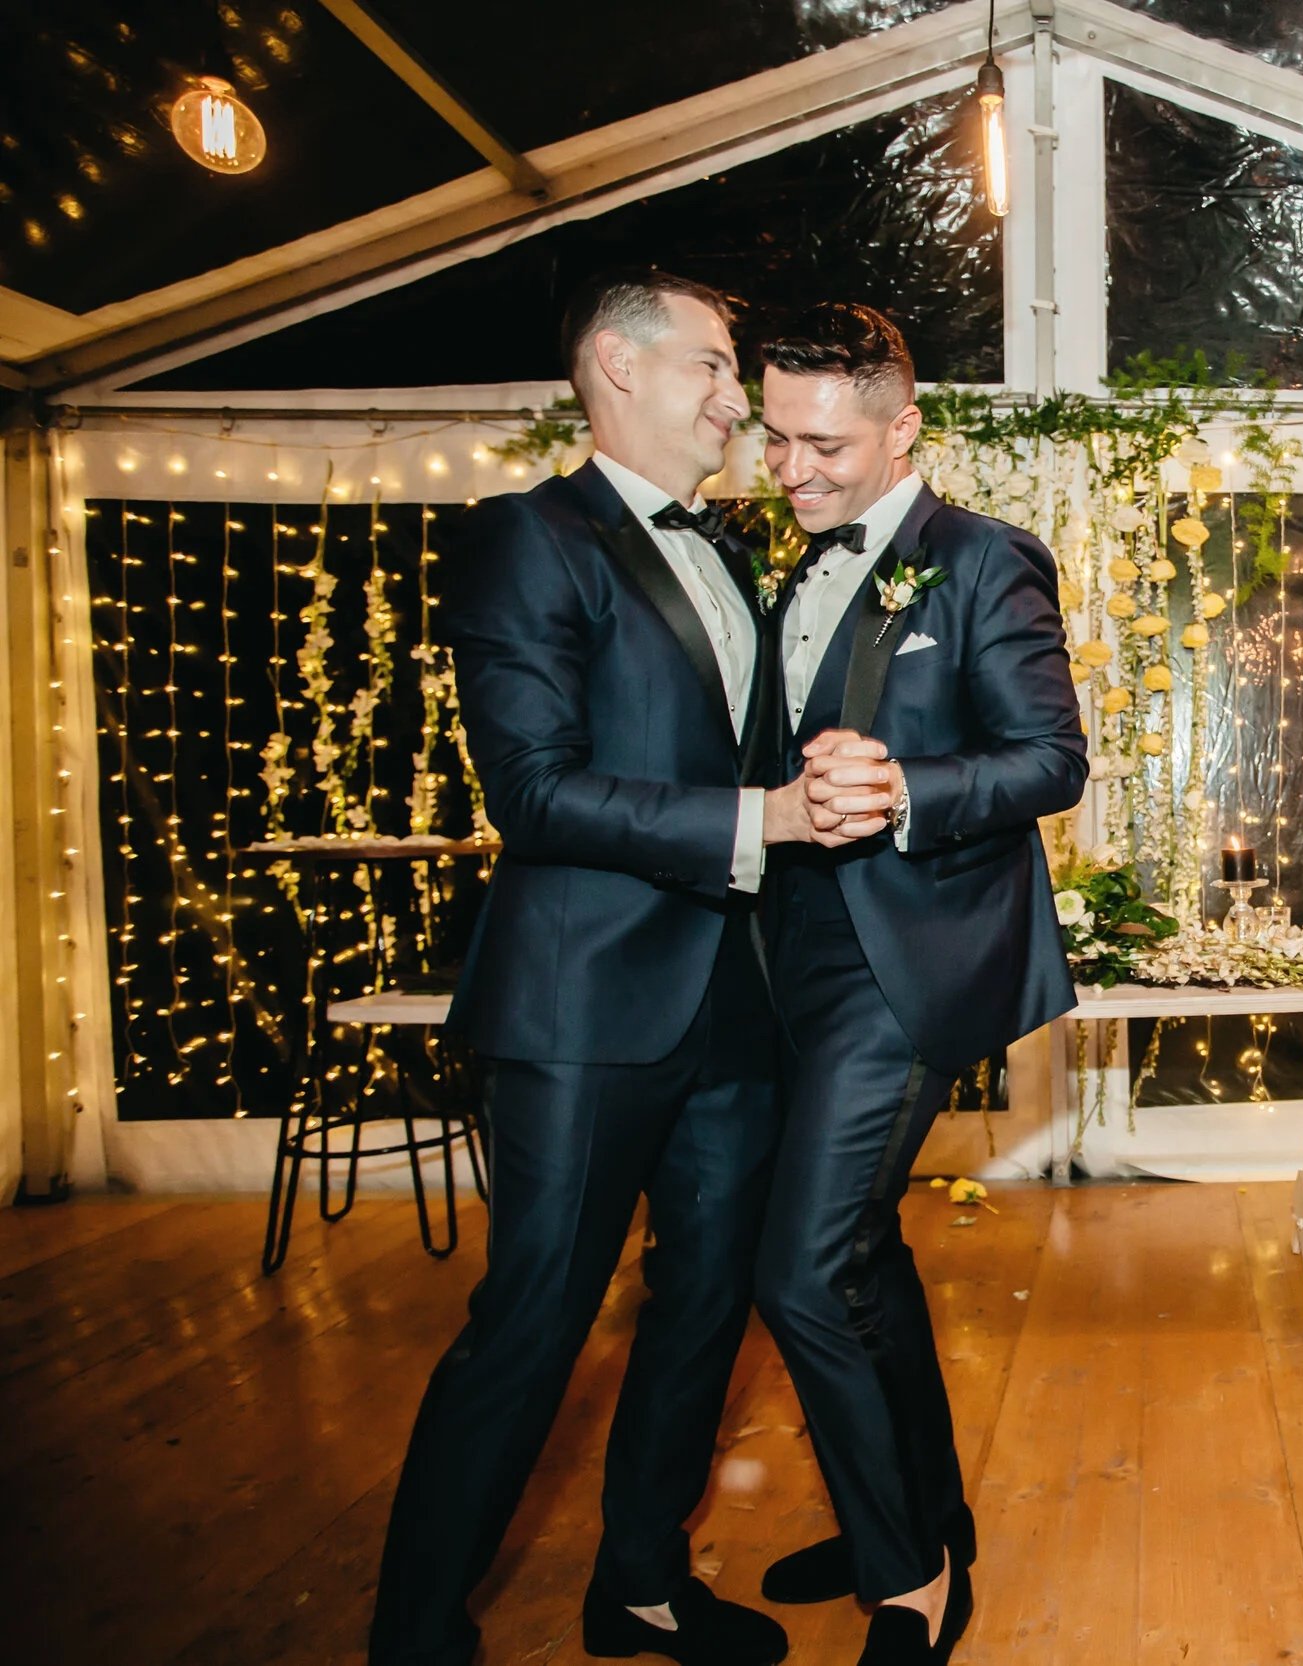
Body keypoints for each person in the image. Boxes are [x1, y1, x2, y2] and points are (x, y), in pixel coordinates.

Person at [369, 269, 863, 1666]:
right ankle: (413, 1631)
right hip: (583, 1008)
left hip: (734, 1004)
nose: (733, 396)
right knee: (530, 1321)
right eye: (713, 363)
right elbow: (531, 793)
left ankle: (638, 1580)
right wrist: (754, 817)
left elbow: (733, 753)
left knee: (705, 1306)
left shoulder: (735, 552)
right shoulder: (526, 539)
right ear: (614, 367)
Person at [744, 303, 1087, 1665]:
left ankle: (910, 1577)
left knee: (802, 1269)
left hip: (905, 962)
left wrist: (909, 788)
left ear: (904, 429)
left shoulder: (982, 561)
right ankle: (926, 1505)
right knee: (864, 1250)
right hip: (791, 960)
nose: (791, 470)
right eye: (774, 439)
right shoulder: (791, 572)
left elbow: (1050, 760)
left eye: (823, 444)